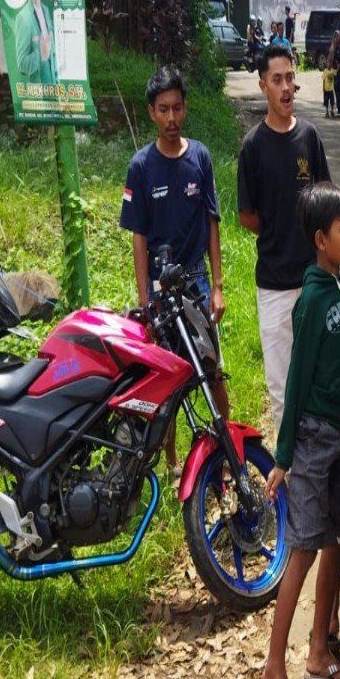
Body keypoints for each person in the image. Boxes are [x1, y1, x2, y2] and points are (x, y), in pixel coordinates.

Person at [259, 183, 340, 679]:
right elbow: (298, 379)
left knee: (337, 542)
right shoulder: (312, 299)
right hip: (312, 442)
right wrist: (282, 456)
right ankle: (274, 672)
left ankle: (319, 653)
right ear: (322, 241)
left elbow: (339, 367)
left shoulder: (339, 283)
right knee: (301, 551)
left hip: (339, 437)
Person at [120, 67, 230, 474]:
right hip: (159, 291)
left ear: (185, 109)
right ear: (151, 112)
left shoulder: (199, 157)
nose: (171, 118)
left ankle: (223, 457)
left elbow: (213, 221)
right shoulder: (141, 166)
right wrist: (144, 299)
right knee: (165, 379)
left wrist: (216, 286)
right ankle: (168, 461)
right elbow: (138, 238)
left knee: (212, 371)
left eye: (177, 108)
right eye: (163, 109)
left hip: (196, 281)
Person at [238, 44, 331, 434]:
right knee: (281, 385)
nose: (287, 87)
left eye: (290, 77)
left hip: (314, 282)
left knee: (320, 379)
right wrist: (280, 233)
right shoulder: (253, 147)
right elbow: (248, 216)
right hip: (274, 287)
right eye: (277, 80)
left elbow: (328, 201)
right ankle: (288, 473)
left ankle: (322, 460)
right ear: (263, 86)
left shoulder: (309, 138)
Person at [14, 0, 57, 85]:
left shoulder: (45, 10)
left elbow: (51, 49)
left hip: (54, 88)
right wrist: (41, 54)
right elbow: (22, 64)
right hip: (38, 95)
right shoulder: (23, 17)